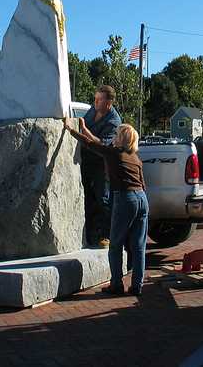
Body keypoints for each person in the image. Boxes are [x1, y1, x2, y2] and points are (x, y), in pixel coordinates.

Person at [64, 117, 148, 296]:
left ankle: (116, 285)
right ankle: (137, 286)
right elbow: (99, 143)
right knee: (139, 246)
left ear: (122, 139)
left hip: (125, 198)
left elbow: (90, 145)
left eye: (117, 134)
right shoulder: (135, 158)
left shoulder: (114, 153)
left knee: (116, 244)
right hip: (142, 199)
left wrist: (70, 130)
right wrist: (85, 128)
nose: (114, 136)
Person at [80, 85, 121, 246]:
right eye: (95, 98)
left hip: (101, 163)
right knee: (87, 198)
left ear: (109, 103)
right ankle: (89, 233)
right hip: (86, 160)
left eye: (99, 99)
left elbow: (102, 145)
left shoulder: (113, 120)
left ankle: (107, 235)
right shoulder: (92, 110)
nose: (95, 102)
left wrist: (83, 129)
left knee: (103, 199)